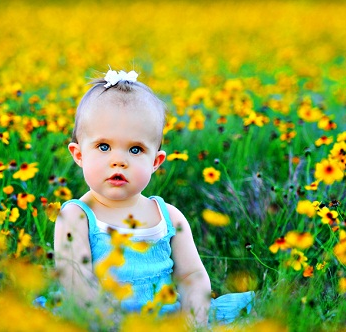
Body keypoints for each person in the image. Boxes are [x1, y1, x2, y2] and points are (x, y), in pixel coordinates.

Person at [52, 69, 254, 328]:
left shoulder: (168, 216)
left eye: (135, 149)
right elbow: (76, 283)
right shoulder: (76, 216)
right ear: (78, 154)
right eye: (104, 146)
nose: (119, 160)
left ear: (156, 161)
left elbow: (192, 276)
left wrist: (193, 320)